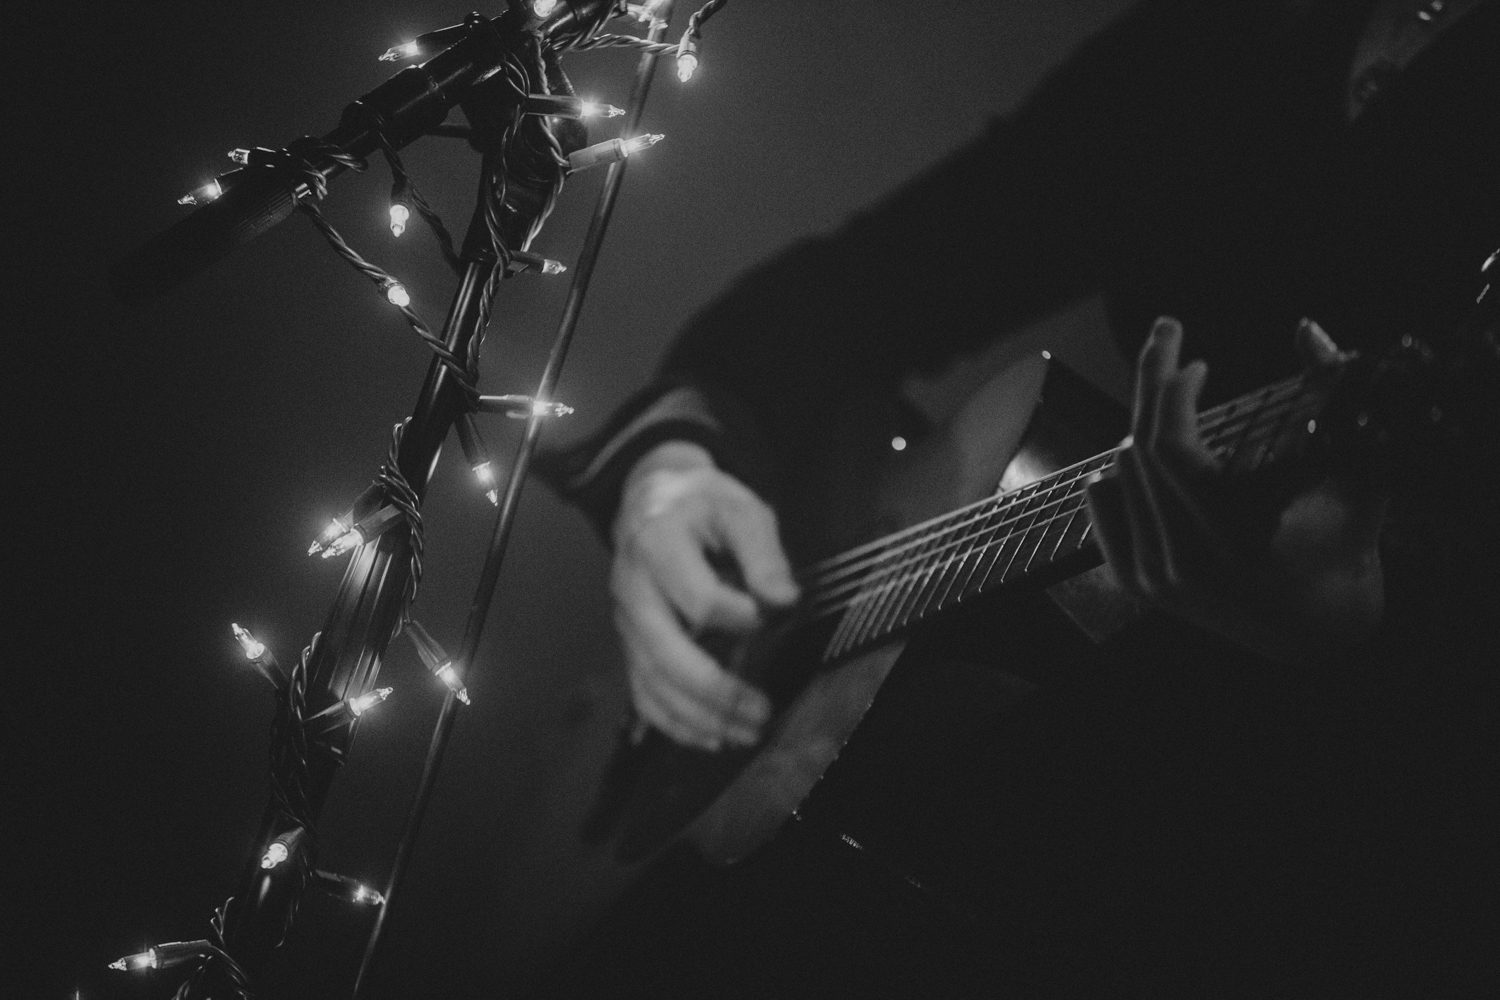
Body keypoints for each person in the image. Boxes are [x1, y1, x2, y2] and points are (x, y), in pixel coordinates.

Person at [539, 0, 1500, 993]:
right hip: (1031, 751)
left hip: (1367, 841)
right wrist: (681, 460)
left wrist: (1346, 620)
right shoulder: (1234, 36)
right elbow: (867, 283)